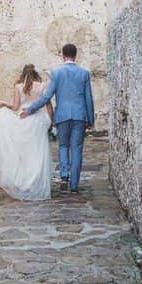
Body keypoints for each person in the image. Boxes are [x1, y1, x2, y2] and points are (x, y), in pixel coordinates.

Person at [20, 43, 94, 193]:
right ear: (76, 55)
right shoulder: (84, 73)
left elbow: (47, 96)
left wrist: (30, 109)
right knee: (77, 149)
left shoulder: (56, 73)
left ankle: (64, 176)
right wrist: (90, 120)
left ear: (62, 55)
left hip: (62, 116)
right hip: (79, 116)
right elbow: (89, 99)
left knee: (63, 146)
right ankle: (74, 185)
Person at [0, 64, 54, 200]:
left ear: (23, 74)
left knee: (24, 153)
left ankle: (23, 181)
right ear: (35, 73)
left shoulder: (19, 87)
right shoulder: (42, 86)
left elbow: (15, 107)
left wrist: (4, 104)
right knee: (38, 152)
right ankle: (36, 181)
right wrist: (52, 120)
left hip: (23, 119)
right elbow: (48, 104)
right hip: (38, 121)